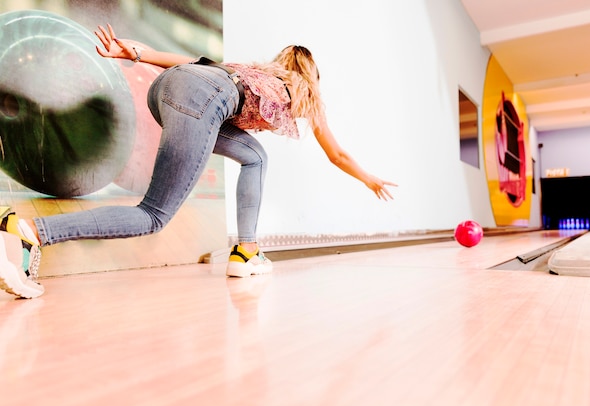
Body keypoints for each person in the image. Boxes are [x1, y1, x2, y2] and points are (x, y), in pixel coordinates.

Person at [0, 24, 397, 299]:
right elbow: (337, 152)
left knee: (255, 156)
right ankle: (28, 230)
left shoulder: (252, 70)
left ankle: (246, 249)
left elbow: (193, 64)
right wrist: (368, 178)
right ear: (311, 75)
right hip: (200, 101)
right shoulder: (305, 91)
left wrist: (137, 53)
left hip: (167, 91)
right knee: (153, 215)